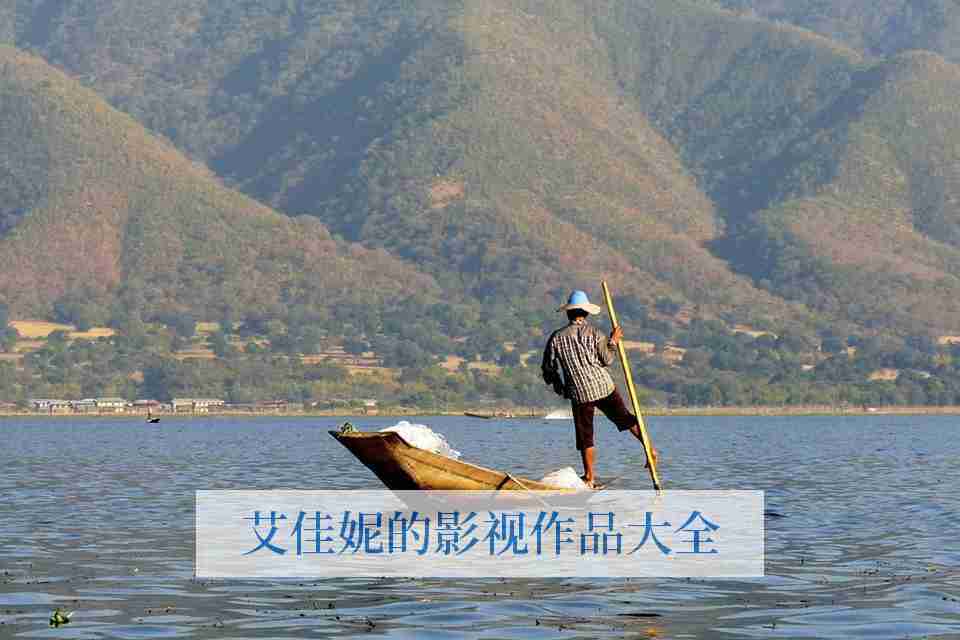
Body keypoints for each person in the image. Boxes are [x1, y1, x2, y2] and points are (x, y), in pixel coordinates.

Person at [541, 290, 656, 488]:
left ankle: (589, 476)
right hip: (603, 386)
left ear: (568, 313)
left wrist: (560, 386)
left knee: (585, 436)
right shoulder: (594, 333)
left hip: (580, 393)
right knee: (626, 419)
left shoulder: (556, 338)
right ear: (586, 313)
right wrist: (613, 341)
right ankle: (650, 449)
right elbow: (607, 360)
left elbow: (548, 368)